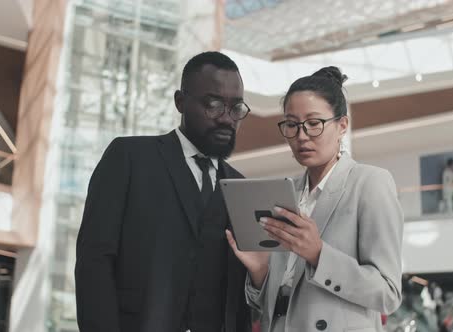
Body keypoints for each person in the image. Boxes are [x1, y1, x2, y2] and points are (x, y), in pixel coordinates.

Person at [75, 51, 252, 332]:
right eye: (214, 104)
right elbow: (94, 262)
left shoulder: (241, 188)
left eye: (236, 108)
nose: (227, 119)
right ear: (180, 102)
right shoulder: (129, 158)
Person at [226, 66, 404, 331]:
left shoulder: (369, 183)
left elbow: (388, 294)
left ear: (342, 125)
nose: (301, 136)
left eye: (314, 124)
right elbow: (279, 305)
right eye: (291, 124)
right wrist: (261, 273)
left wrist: (319, 255)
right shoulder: (286, 194)